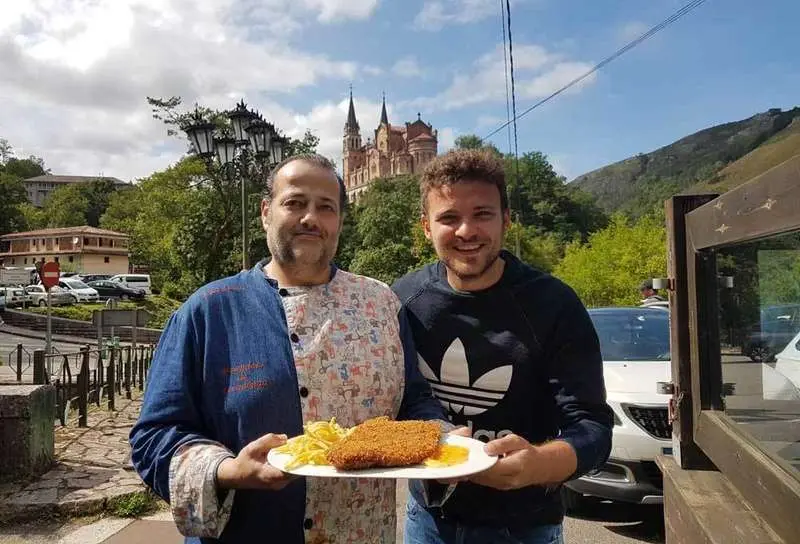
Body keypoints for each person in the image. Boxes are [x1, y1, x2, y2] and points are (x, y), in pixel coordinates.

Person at [129, 154, 449, 543]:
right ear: (266, 212)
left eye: (325, 207)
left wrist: (445, 438)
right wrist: (226, 470)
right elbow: (154, 436)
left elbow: (414, 401)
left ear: (340, 222)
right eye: (295, 203)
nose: (310, 218)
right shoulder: (209, 311)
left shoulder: (381, 303)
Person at [392, 149, 614, 544]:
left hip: (525, 528)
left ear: (506, 220)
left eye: (482, 214)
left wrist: (538, 465)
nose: (466, 231)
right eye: (449, 218)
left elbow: (593, 427)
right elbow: (396, 398)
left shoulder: (554, 304)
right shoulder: (403, 299)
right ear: (426, 227)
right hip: (426, 521)